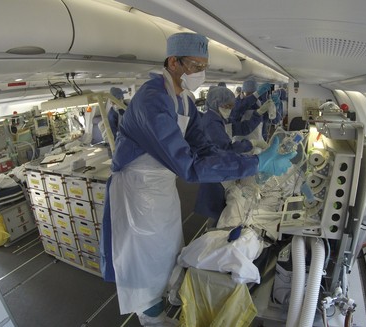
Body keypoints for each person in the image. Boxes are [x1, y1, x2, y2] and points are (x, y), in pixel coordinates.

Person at [102, 32, 295, 326]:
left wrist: (247, 162)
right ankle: (149, 317)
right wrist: (255, 163)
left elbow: (204, 148)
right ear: (173, 62)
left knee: (168, 250)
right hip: (139, 190)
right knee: (144, 257)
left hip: (162, 187)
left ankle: (161, 307)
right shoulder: (151, 100)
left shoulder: (185, 102)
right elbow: (189, 167)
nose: (200, 73)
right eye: (194, 65)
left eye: (203, 66)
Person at [193, 86, 253, 222]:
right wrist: (249, 146)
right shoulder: (211, 122)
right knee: (217, 215)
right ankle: (214, 237)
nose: (229, 109)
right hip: (214, 170)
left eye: (231, 106)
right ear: (216, 103)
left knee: (219, 214)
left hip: (215, 168)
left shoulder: (216, 118)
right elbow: (225, 149)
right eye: (227, 105)